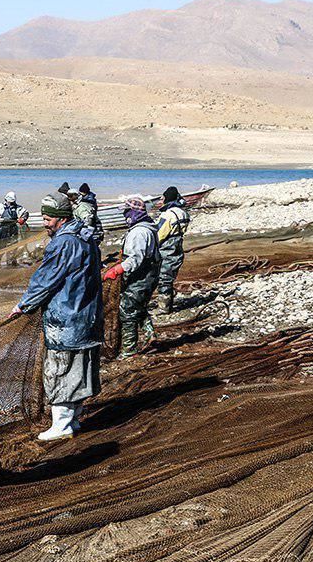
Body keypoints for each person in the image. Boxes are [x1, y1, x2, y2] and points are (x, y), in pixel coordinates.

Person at [12, 192, 103, 441]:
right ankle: (72, 420)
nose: (45, 222)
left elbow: (45, 280)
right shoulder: (86, 236)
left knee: (60, 370)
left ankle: (61, 426)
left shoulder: (63, 243)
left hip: (67, 320)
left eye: (48, 218)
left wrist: (23, 305)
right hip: (87, 316)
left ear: (61, 218)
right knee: (79, 369)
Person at [103, 198, 162, 358]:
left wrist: (116, 270)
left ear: (134, 212)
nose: (124, 215)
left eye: (126, 211)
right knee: (139, 306)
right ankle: (151, 336)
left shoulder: (138, 232)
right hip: (149, 275)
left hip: (142, 277)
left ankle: (129, 351)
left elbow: (135, 259)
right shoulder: (146, 228)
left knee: (127, 311)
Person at [155, 186, 191, 313]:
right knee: (169, 276)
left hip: (166, 248)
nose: (161, 199)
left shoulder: (168, 215)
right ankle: (167, 304)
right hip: (177, 246)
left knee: (163, 277)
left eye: (163, 197)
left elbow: (160, 234)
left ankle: (164, 307)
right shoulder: (183, 213)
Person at [0, 192, 29, 266]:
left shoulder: (18, 208)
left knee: (12, 253)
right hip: (2, 230)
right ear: (5, 199)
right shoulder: (0, 206)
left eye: (12, 202)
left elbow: (26, 213)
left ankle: (11, 267)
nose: (10, 203)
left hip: (13, 230)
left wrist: (23, 219)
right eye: (9, 201)